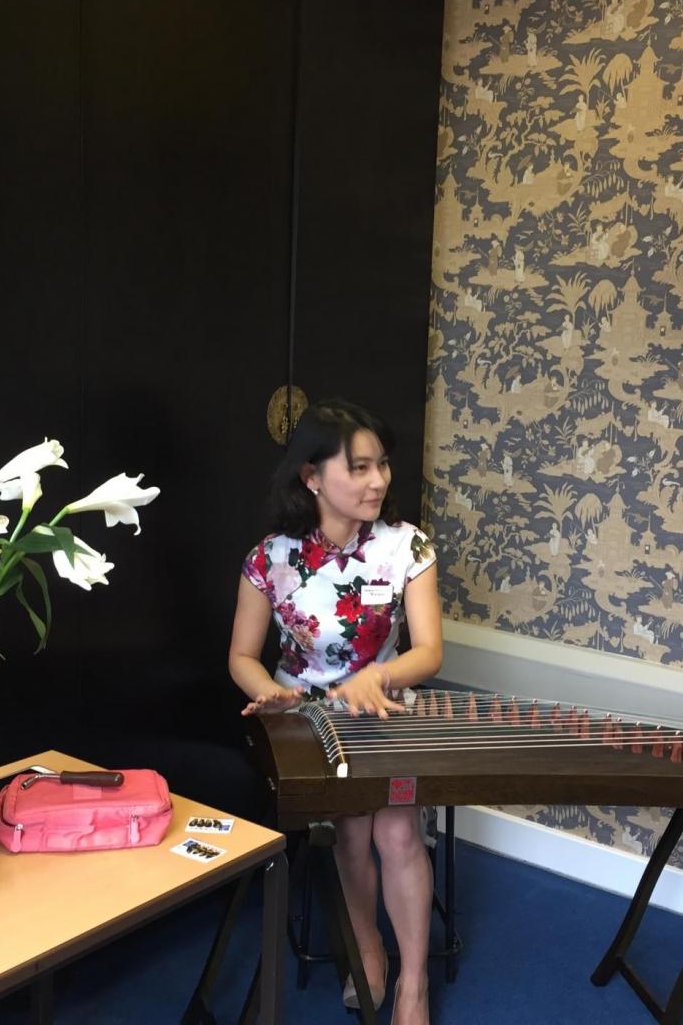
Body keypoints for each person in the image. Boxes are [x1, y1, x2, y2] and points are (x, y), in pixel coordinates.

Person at [228, 400, 441, 1024]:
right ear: (313, 477)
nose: (378, 481)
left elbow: (428, 652)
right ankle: (367, 953)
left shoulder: (408, 547)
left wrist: (379, 674)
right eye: (360, 467)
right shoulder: (271, 558)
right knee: (351, 831)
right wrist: (270, 688)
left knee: (397, 829)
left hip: (387, 706)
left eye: (382, 466)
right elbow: (241, 656)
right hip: (312, 717)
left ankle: (414, 984)